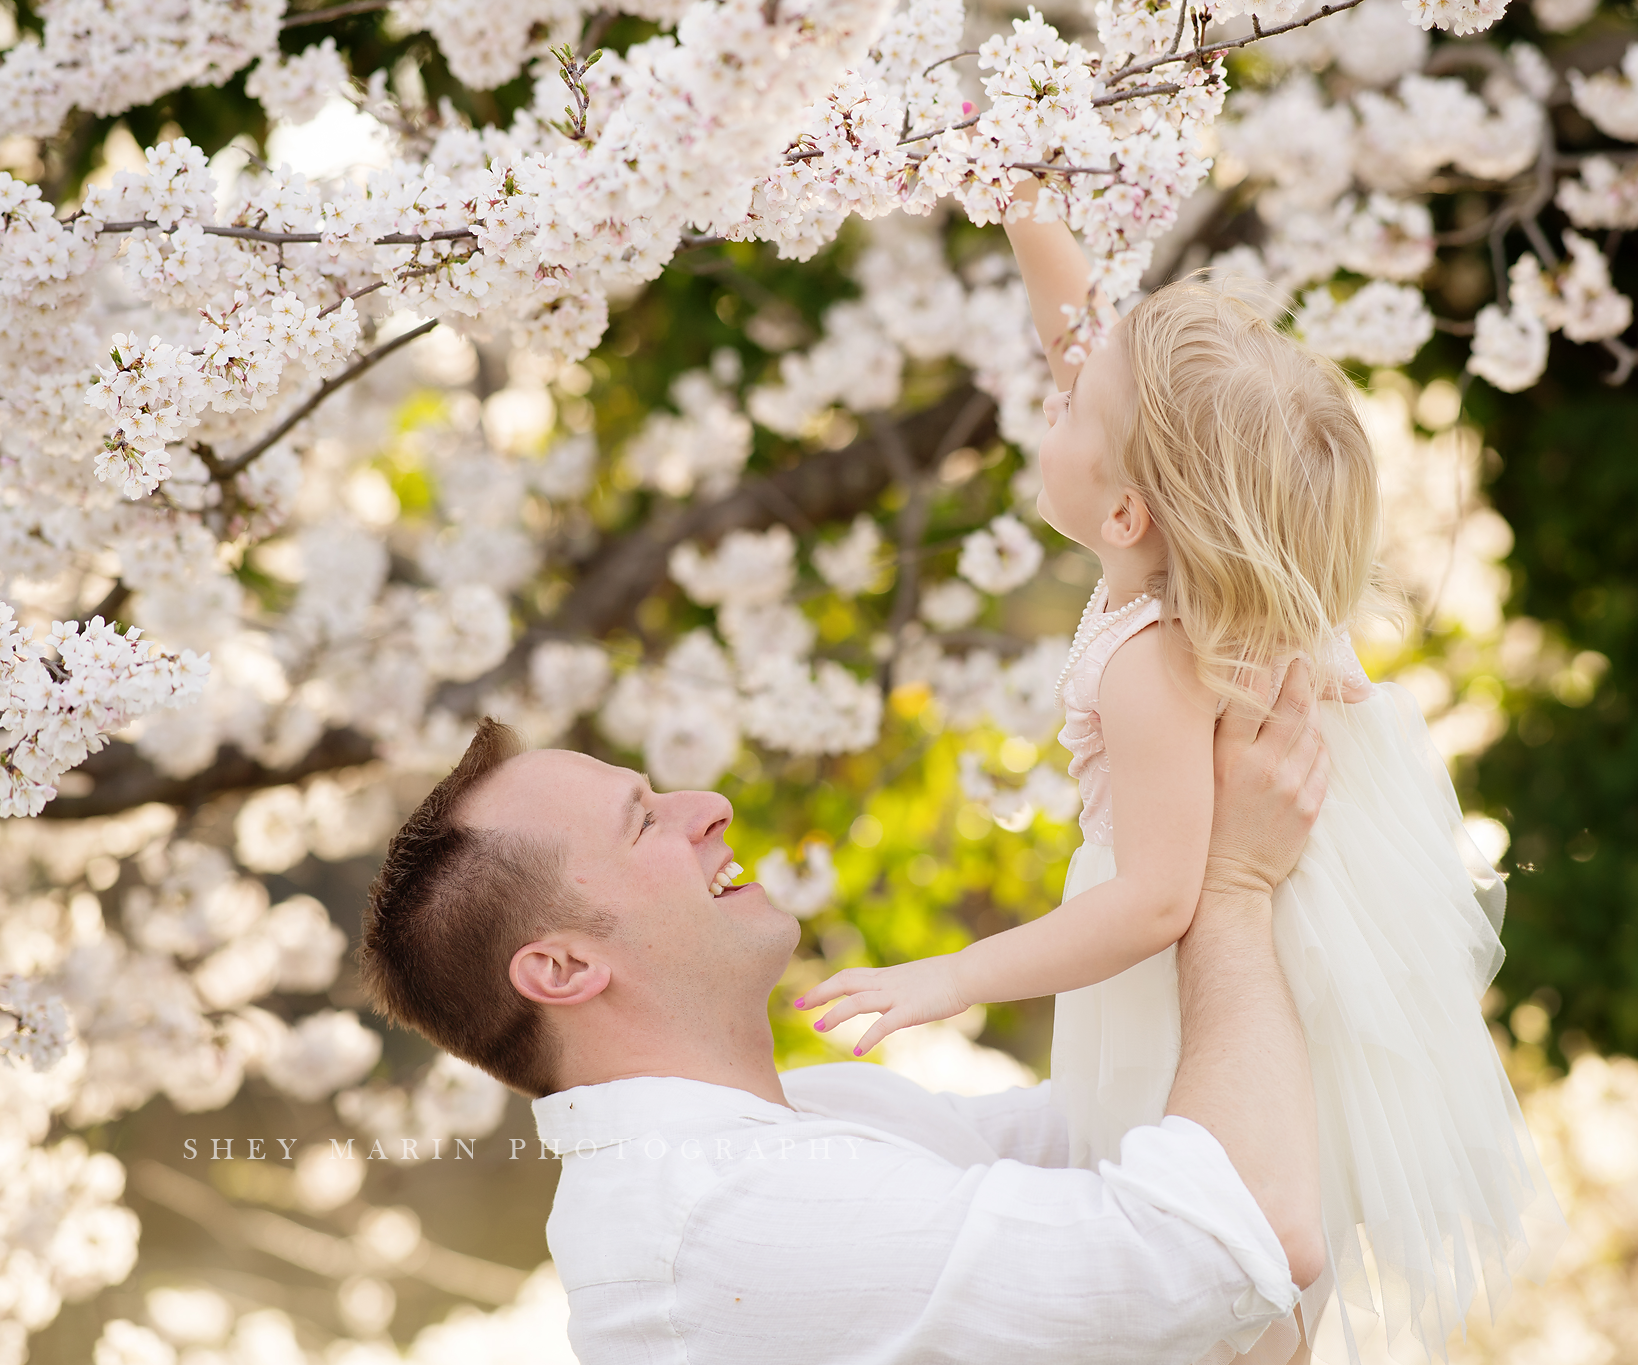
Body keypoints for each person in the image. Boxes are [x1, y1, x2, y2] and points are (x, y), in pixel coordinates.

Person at [792, 181, 1566, 1361]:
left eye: (1065, 410)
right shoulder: (1203, 571)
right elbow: (1086, 336)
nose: (1052, 392)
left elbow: (1156, 901)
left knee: (1226, 1261)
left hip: (1211, 967)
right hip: (1283, 945)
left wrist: (953, 975)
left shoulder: (1151, 663)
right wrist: (1015, 195)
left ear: (1122, 510)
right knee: (1242, 1260)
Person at [359, 663, 1335, 1365]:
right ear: (564, 967)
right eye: (643, 820)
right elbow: (1239, 1231)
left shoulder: (817, 1118)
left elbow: (1124, 1121)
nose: (707, 805)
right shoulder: (726, 1221)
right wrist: (1232, 880)